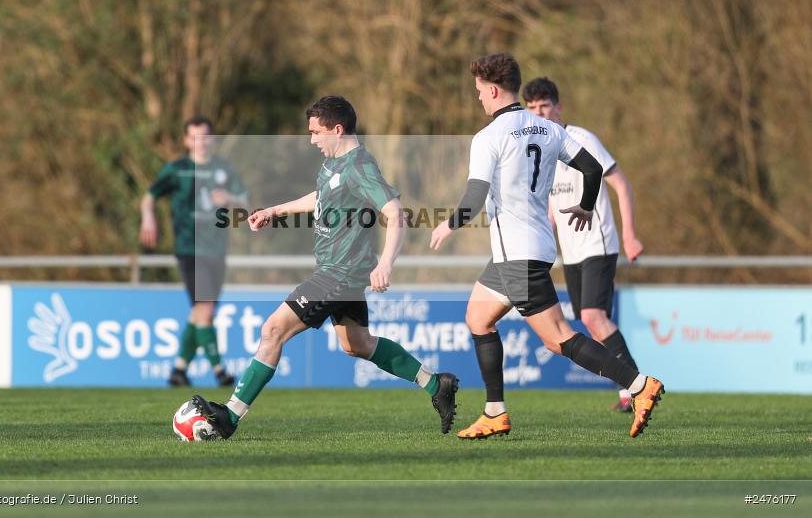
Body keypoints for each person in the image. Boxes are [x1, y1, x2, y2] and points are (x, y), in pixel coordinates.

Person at [192, 95, 458, 439]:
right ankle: (436, 384)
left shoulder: (361, 167)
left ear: (337, 129)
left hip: (339, 273)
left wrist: (387, 264)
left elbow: (395, 214)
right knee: (357, 344)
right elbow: (321, 198)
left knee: (273, 331)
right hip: (340, 273)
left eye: (316, 132)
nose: (312, 140)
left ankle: (230, 415)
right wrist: (275, 211)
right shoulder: (335, 163)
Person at [430, 53, 663, 440]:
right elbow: (591, 169)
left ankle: (638, 385)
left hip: (517, 256)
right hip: (527, 249)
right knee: (477, 318)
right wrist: (587, 206)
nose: (478, 99)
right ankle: (494, 411)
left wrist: (449, 223)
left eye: (478, 92)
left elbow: (474, 196)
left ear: (492, 90)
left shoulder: (489, 137)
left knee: (558, 339)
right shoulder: (547, 129)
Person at [523, 77, 645, 412]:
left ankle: (636, 389)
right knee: (592, 321)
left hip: (598, 243)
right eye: (531, 108)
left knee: (592, 317)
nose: (539, 113)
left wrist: (630, 234)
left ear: (558, 107)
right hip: (571, 253)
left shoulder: (581, 139)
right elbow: (548, 209)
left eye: (544, 105)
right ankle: (631, 390)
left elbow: (621, 184)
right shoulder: (540, 151)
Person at [140, 116, 247, 388]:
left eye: (205, 136)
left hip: (217, 249)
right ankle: (220, 371)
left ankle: (178, 370)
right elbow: (149, 196)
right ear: (187, 140)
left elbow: (244, 201)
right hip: (190, 248)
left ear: (212, 139)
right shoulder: (177, 169)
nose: (201, 142)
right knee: (205, 308)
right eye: (195, 137)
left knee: (200, 313)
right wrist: (148, 217)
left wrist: (230, 200)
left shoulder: (224, 169)